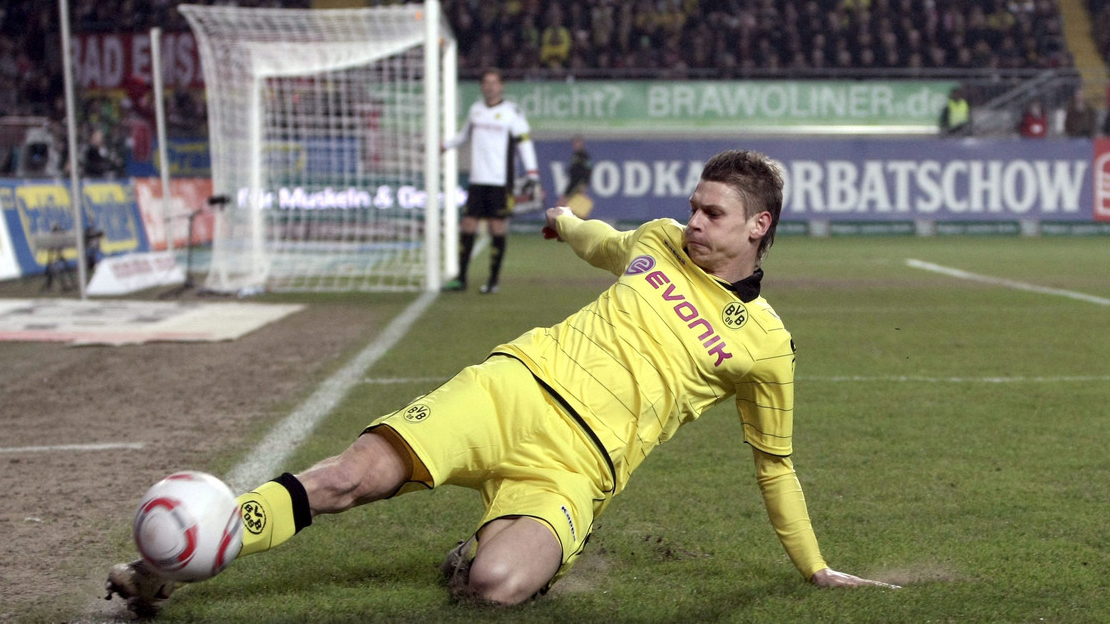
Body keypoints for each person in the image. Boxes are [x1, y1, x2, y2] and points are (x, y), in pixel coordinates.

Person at [106, 149, 898, 617]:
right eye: (694, 207)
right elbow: (604, 243)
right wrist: (564, 224)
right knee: (354, 475)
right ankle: (181, 557)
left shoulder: (765, 346)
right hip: (512, 387)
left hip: (577, 468)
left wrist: (814, 567)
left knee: (493, 585)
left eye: (714, 215)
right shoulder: (659, 242)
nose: (693, 222)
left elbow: (775, 465)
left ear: (758, 226)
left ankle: (485, 543)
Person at [440, 68, 540, 294]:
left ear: (501, 86)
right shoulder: (476, 110)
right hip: (477, 179)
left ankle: (493, 281)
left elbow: (525, 143)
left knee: (497, 227)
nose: (490, 86)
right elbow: (464, 135)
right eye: (486, 82)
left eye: (494, 83)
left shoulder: (512, 112)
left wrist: (532, 173)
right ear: (482, 86)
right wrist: (444, 146)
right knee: (468, 225)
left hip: (500, 181)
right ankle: (461, 278)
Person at [557, 135, 593, 218]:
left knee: (565, 202)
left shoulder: (583, 155)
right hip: (573, 181)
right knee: (569, 203)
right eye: (574, 143)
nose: (575, 145)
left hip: (577, 183)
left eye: (577, 142)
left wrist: (584, 183)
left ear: (581, 143)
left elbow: (588, 170)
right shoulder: (576, 154)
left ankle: (561, 222)